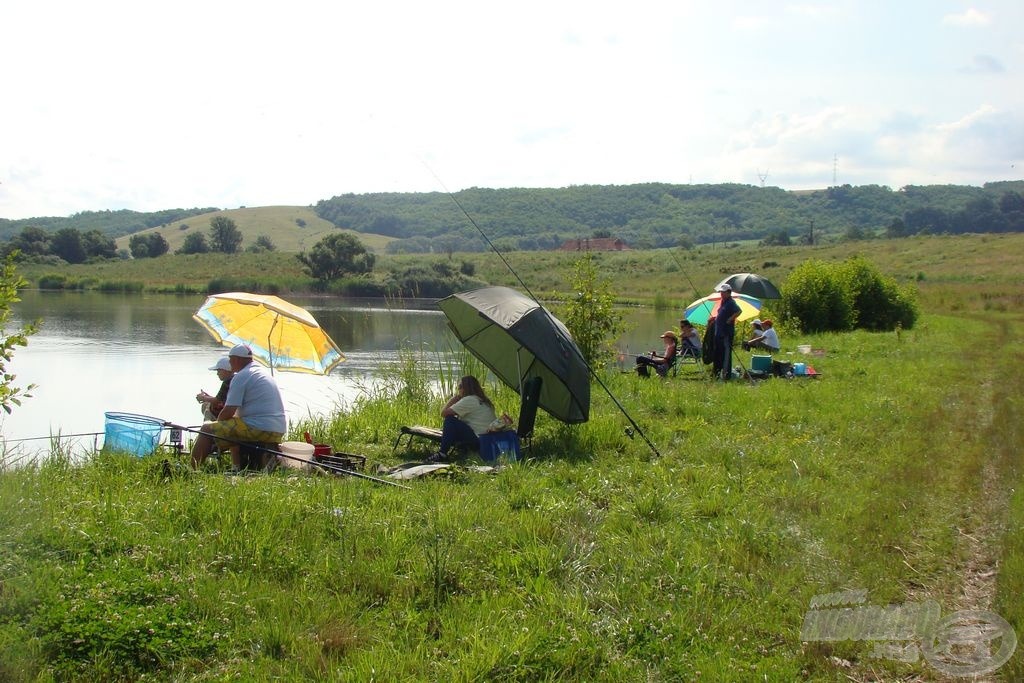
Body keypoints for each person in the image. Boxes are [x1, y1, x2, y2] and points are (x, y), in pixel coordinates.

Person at [191, 344, 287, 471]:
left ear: (236, 359)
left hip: (259, 428)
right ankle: (238, 466)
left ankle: (191, 470)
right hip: (277, 428)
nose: (230, 364)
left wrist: (217, 429)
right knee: (231, 426)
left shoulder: (242, 376)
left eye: (230, 360)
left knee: (206, 429)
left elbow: (228, 411)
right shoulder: (261, 372)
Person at [427, 375, 497, 463]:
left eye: (459, 387)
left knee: (450, 420)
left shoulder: (469, 400)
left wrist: (454, 399)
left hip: (478, 440)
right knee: (454, 424)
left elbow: (444, 413)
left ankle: (442, 453)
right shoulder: (484, 401)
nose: (458, 390)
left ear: (465, 388)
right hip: (488, 439)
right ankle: (450, 451)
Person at [713, 284, 742, 380]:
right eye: (721, 292)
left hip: (726, 333)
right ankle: (717, 373)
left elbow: (738, 311)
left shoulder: (731, 302)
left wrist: (730, 319)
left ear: (729, 292)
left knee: (726, 355)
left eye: (723, 292)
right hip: (719, 333)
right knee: (718, 354)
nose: (721, 294)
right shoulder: (723, 302)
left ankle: (726, 375)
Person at [196, 356, 234, 420]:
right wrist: (208, 397)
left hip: (231, 412)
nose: (217, 374)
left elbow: (217, 401)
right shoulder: (234, 378)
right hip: (232, 409)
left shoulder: (228, 381)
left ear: (225, 370)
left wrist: (203, 397)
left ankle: (207, 428)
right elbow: (221, 399)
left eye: (219, 371)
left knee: (207, 406)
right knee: (206, 404)